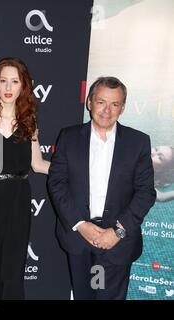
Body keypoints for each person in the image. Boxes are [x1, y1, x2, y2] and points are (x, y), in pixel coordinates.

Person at [47, 76, 156, 300]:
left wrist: (117, 231)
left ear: (123, 108)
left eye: (114, 104)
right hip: (79, 239)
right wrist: (80, 224)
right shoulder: (69, 137)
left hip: (117, 242)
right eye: (101, 102)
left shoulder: (138, 142)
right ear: (89, 102)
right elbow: (57, 183)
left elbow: (146, 192)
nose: (107, 110)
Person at [0, 57, 50, 299]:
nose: (8, 87)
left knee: (13, 267)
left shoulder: (29, 122)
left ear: (23, 86)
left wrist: (75, 171)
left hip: (18, 199)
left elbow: (37, 164)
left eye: (14, 81)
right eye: (3, 81)